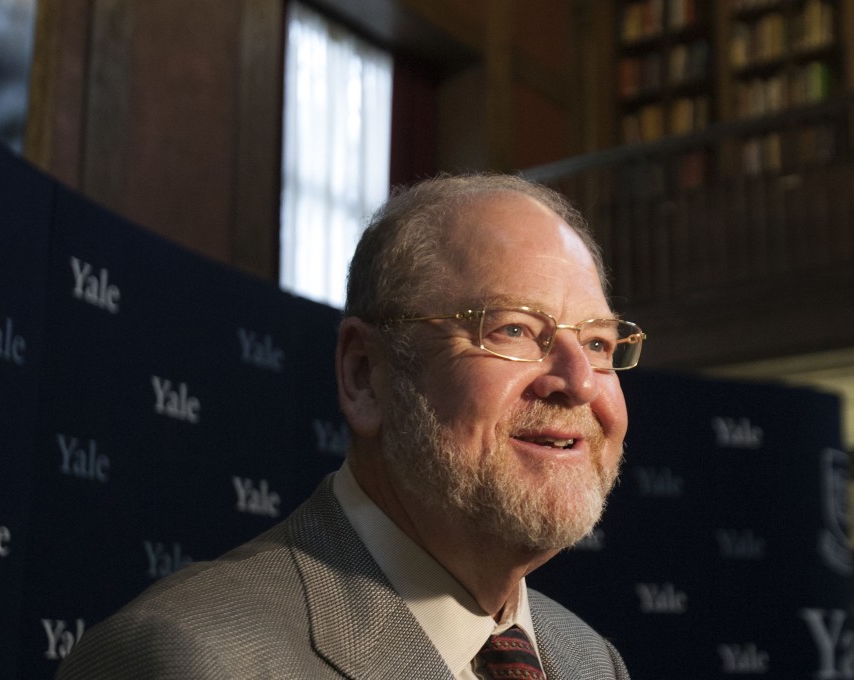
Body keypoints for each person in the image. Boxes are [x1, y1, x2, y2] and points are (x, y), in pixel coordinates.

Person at [56, 174, 644, 679]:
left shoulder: (591, 661)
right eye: (513, 330)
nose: (580, 382)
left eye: (598, 343)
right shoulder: (188, 659)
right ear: (365, 375)